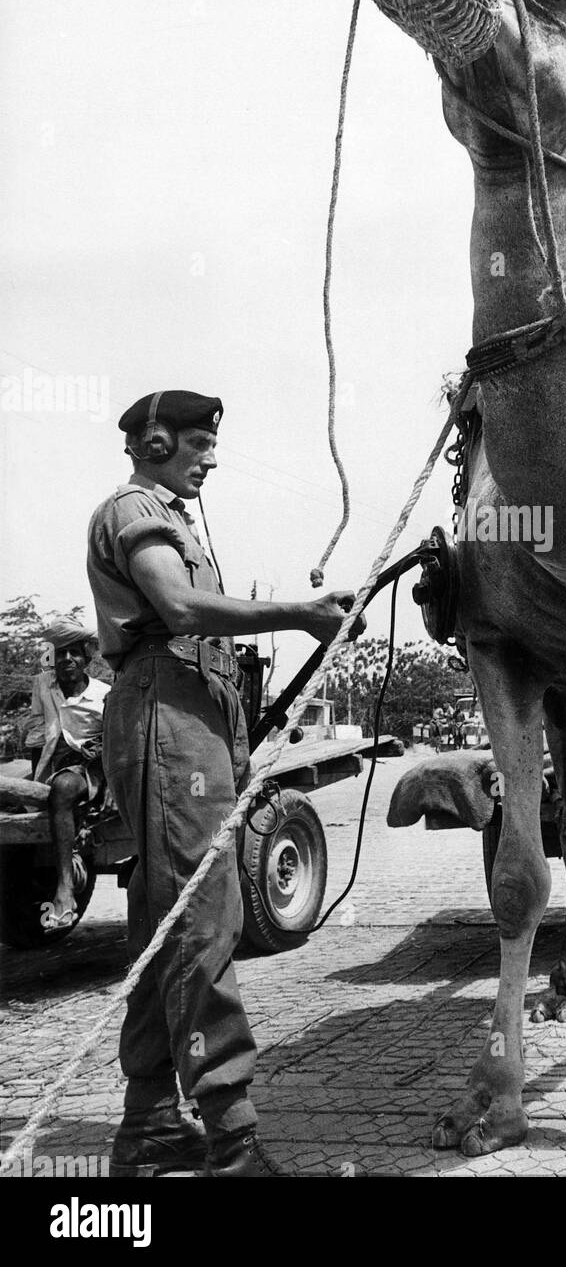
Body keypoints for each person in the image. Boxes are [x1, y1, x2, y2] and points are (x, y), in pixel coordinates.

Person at [87, 389, 364, 1178]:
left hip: (191, 713)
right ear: (153, 439)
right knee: (204, 923)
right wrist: (299, 611)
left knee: (164, 927)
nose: (210, 456)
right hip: (164, 712)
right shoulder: (134, 508)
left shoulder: (170, 515)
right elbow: (176, 606)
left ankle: (148, 1126)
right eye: (199, 442)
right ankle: (234, 1141)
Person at [26, 618, 109, 930]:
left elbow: (118, 735)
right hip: (53, 761)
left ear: (86, 660)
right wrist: (35, 779)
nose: (67, 660)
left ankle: (64, 889)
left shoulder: (104, 693)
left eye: (74, 653)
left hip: (90, 766)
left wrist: (101, 749)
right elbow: (36, 732)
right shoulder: (43, 686)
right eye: (60, 654)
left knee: (62, 787)